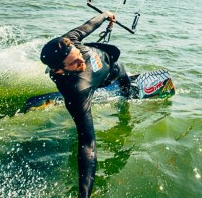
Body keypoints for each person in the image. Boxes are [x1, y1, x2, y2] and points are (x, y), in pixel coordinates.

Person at [39, 11, 132, 198]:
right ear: (59, 70)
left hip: (112, 63)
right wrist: (84, 194)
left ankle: (127, 95)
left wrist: (106, 15)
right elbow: (87, 144)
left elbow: (89, 25)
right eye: (74, 62)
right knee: (121, 76)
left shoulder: (68, 41)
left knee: (124, 77)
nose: (81, 58)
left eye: (77, 53)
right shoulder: (77, 92)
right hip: (106, 77)